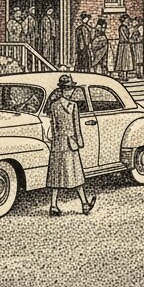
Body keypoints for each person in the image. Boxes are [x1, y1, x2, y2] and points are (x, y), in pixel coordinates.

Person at [45, 74, 95, 216]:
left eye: (71, 89)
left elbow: (54, 127)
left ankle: (55, 206)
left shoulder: (54, 106)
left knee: (57, 176)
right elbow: (76, 127)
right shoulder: (72, 106)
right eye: (68, 89)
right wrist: (79, 141)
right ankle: (83, 205)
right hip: (68, 143)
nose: (70, 91)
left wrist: (55, 141)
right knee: (74, 175)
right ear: (63, 90)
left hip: (58, 144)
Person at [115, 14, 138, 81]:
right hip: (124, 45)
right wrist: (131, 32)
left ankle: (125, 75)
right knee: (124, 60)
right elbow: (126, 38)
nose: (128, 20)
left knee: (127, 60)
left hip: (126, 45)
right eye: (127, 19)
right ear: (124, 20)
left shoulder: (126, 27)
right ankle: (123, 75)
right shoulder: (122, 27)